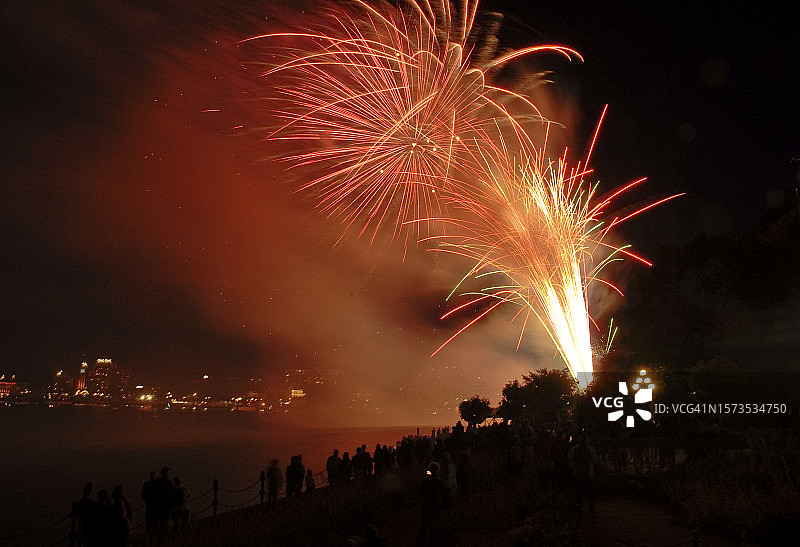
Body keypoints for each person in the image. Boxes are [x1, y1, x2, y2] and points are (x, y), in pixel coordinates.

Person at [417, 462, 446, 546]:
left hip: (426, 504)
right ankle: (432, 540)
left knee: (424, 523)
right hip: (435, 504)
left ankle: (421, 540)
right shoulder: (440, 481)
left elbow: (420, 491)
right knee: (434, 523)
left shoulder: (424, 481)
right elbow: (444, 493)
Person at [569, 432, 598, 515]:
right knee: (590, 492)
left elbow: (572, 460)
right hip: (588, 472)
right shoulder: (591, 449)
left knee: (579, 492)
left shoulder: (576, 449)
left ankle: (578, 508)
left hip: (579, 472)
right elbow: (594, 460)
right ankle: (592, 508)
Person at [71, 482, 94, 547]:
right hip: (87, 521)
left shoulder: (81, 501)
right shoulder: (90, 502)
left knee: (80, 537)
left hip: (81, 520)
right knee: (86, 538)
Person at [141, 471, 159, 543]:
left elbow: (143, 495)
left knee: (148, 526)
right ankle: (154, 541)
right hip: (156, 509)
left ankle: (147, 541)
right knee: (156, 526)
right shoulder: (158, 485)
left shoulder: (146, 484)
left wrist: (147, 501)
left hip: (149, 508)